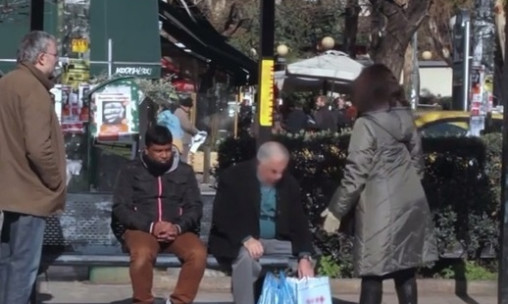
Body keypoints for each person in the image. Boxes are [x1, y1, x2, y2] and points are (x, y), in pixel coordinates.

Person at [321, 64, 438, 304]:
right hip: (411, 201)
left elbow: (355, 173)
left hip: (379, 207)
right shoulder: (406, 117)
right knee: (405, 270)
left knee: (372, 273)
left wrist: (336, 210)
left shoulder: (366, 124)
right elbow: (418, 163)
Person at [0, 31, 66, 304]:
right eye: (55, 55)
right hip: (30, 191)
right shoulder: (33, 89)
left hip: (9, 189)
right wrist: (55, 180)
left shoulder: (7, 83)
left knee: (7, 262)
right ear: (41, 58)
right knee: (24, 266)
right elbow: (39, 148)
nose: (57, 61)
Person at [208, 141, 315, 304]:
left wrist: (304, 256)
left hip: (277, 241)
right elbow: (223, 216)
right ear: (260, 163)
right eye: (273, 171)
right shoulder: (234, 177)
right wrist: (245, 238)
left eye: (282, 171)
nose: (278, 176)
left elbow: (299, 221)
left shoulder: (288, 183)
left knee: (306, 260)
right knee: (245, 258)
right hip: (240, 241)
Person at [112, 125, 206, 304]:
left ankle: (180, 300)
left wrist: (177, 227)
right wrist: (151, 226)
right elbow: (121, 207)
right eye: (158, 151)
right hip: (142, 229)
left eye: (167, 150)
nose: (164, 155)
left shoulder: (184, 171)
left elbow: (194, 207)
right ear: (146, 150)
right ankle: (144, 300)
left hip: (176, 230)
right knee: (142, 254)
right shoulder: (131, 171)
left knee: (198, 253)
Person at [173, 97, 199, 163]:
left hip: (180, 139)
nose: (190, 110)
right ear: (187, 106)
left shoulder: (178, 112)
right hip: (183, 140)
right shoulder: (181, 113)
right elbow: (187, 126)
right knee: (183, 159)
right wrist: (196, 131)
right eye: (190, 107)